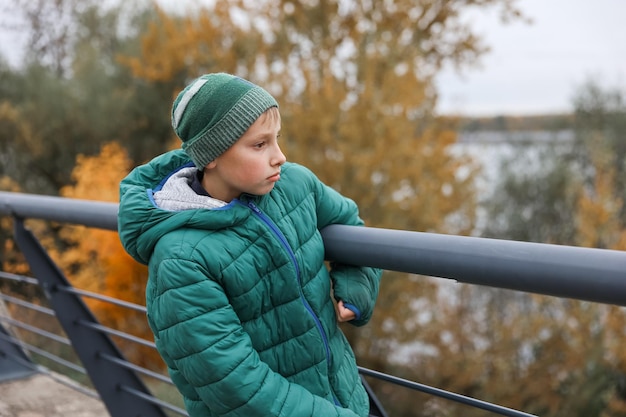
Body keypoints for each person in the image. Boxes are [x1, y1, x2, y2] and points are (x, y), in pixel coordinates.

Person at [117, 72, 382, 417]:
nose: (280, 156)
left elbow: (348, 220)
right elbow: (237, 388)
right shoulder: (181, 260)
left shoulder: (294, 185)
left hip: (345, 397)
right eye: (260, 145)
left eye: (277, 139)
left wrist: (356, 284)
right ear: (211, 156)